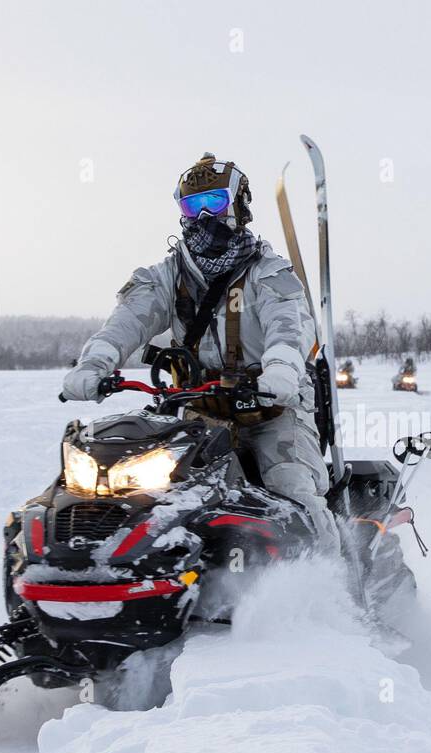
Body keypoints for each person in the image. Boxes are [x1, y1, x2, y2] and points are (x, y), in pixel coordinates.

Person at [61, 152, 337, 551]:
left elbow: (289, 326)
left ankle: (331, 587)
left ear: (239, 207)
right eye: (193, 205)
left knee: (293, 490)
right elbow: (128, 321)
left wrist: (279, 371)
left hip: (273, 410)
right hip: (198, 411)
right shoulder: (168, 276)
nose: (204, 216)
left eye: (215, 203)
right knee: (151, 493)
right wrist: (94, 364)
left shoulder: (268, 272)